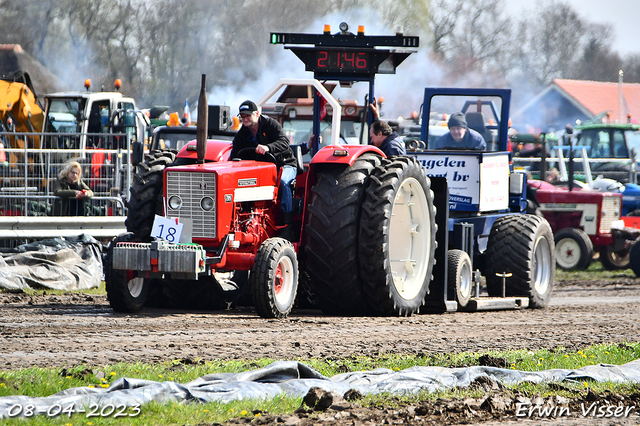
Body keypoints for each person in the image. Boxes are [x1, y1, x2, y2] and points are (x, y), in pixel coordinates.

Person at [230, 100, 297, 225]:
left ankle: (287, 223)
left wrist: (268, 147)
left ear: (257, 113)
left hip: (284, 164)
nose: (244, 119)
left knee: (283, 182)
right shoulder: (242, 134)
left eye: (248, 116)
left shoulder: (271, 125)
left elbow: (284, 142)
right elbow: (235, 155)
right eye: (242, 116)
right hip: (263, 169)